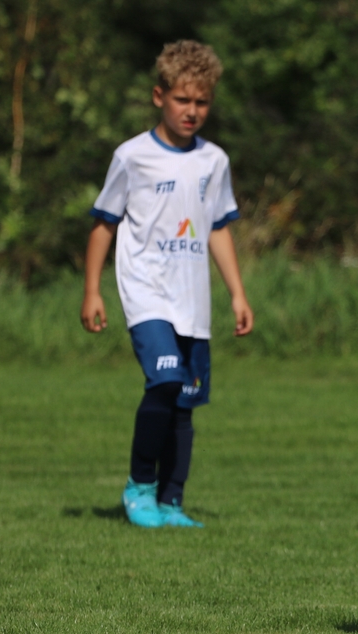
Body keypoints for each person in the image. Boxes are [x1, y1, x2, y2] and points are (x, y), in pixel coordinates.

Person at [82, 40, 252, 529]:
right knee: (164, 380)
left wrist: (237, 293)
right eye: (182, 100)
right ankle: (139, 486)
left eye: (202, 102)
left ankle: (171, 501)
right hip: (145, 292)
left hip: (191, 300)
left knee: (185, 402)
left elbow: (217, 227)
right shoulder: (132, 156)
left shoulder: (214, 161)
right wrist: (92, 290)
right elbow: (104, 224)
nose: (192, 111)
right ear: (160, 96)